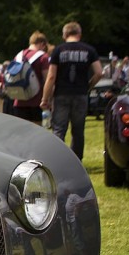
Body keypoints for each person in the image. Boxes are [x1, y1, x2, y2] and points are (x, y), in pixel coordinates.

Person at [40, 22, 101, 159]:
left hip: (61, 94)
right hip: (80, 94)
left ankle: (57, 161)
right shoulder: (89, 50)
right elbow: (98, 73)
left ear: (64, 35)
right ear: (79, 34)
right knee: (78, 131)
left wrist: (45, 98)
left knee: (59, 130)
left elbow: (51, 76)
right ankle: (76, 162)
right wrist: (88, 86)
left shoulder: (58, 50)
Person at [12, 31, 50, 125]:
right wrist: (48, 99)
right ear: (42, 44)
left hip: (19, 101)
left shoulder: (18, 56)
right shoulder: (43, 57)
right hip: (36, 102)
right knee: (36, 133)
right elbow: (47, 79)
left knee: (21, 133)